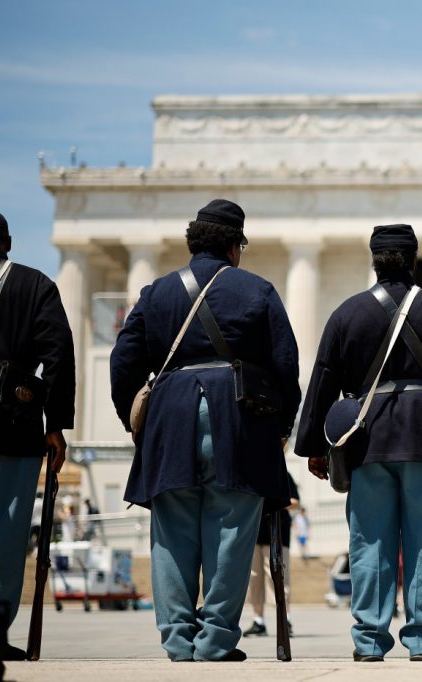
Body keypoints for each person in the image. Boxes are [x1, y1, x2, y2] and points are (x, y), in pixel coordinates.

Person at [110, 199, 301, 662]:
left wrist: (134, 423)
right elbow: (285, 365)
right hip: (237, 415)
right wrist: (281, 426)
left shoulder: (156, 293)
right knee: (232, 529)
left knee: (172, 530)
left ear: (193, 242)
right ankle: (215, 639)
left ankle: (177, 639)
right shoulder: (258, 291)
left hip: (170, 415)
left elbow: (123, 362)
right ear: (236, 247)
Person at [295, 223, 422, 662]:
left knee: (370, 541)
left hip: (366, 441)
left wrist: (313, 444)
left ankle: (369, 638)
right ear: (414, 260)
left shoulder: (349, 313)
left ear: (374, 261)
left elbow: (323, 380)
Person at [0, 209, 75, 661]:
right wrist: (56, 425)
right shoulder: (34, 285)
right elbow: (59, 355)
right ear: (6, 243)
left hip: (14, 428)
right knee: (7, 532)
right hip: (14, 425)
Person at [243, 472, 299, 638]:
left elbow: (295, 502)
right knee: (254, 578)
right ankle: (258, 621)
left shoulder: (284, 475)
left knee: (277, 576)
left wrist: (272, 502)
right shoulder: (249, 475)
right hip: (253, 531)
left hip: (278, 531)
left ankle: (285, 619)